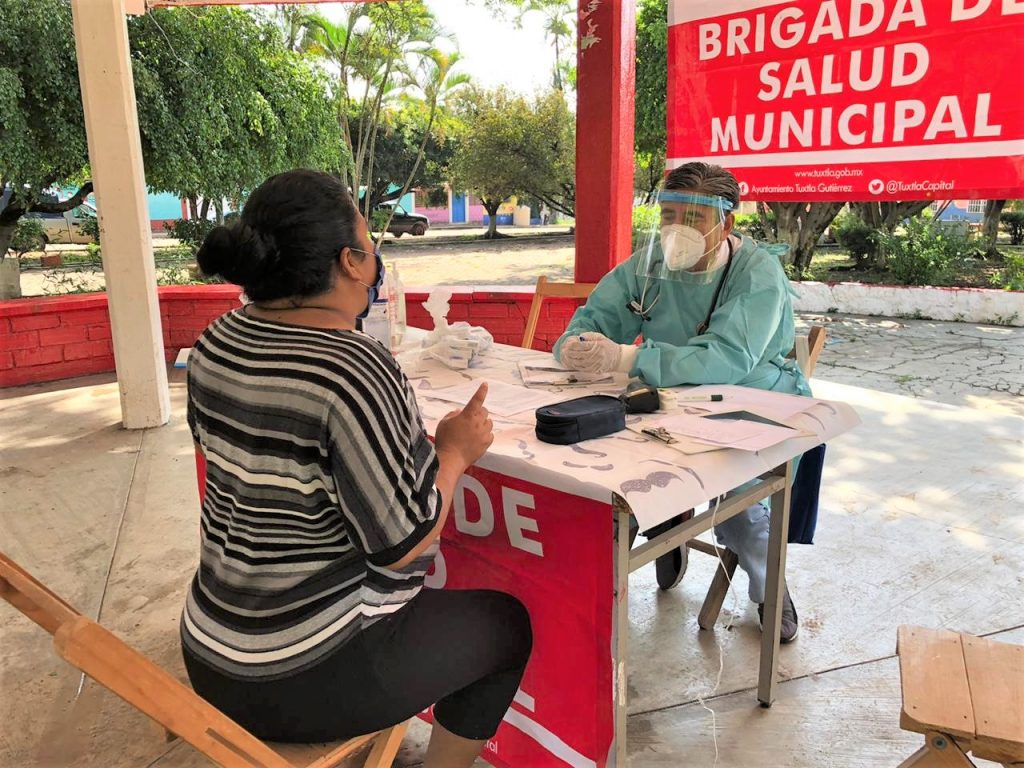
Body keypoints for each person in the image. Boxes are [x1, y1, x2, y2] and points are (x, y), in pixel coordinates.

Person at [182, 169, 532, 766]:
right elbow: (405, 545)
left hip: (210, 651)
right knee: (507, 626)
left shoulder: (218, 340)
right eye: (370, 242)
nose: (377, 260)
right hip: (297, 674)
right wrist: (454, 452)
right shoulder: (352, 367)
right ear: (349, 261)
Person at [553, 162, 808, 643]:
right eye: (669, 215)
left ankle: (768, 587)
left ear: (726, 223)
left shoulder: (758, 273)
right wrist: (576, 345)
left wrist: (628, 357)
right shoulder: (648, 264)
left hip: (749, 396)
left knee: (739, 491)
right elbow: (599, 315)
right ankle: (658, 523)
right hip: (665, 395)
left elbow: (729, 358)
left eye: (694, 218)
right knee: (601, 455)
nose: (677, 230)